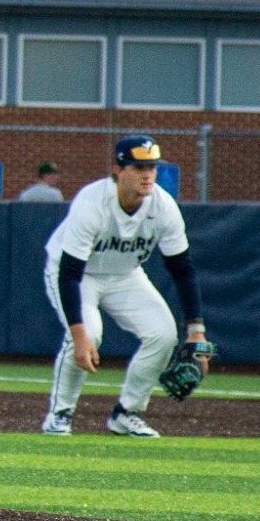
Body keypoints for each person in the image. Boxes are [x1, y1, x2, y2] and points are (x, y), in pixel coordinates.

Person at [38, 135, 212, 438]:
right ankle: (60, 413)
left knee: (163, 333)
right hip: (77, 274)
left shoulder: (163, 206)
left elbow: (182, 269)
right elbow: (69, 273)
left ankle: (127, 412)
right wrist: (79, 337)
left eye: (152, 167)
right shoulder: (92, 203)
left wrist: (196, 331)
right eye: (138, 167)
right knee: (88, 333)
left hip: (124, 274)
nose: (147, 175)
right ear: (118, 171)